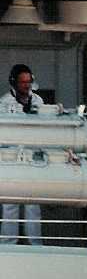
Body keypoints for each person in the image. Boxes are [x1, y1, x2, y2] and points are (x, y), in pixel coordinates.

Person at [0, 63, 43, 245]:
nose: (26, 85)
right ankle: (8, 244)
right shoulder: (3, 103)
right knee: (10, 204)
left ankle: (36, 243)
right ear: (14, 83)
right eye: (22, 82)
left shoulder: (38, 101)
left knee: (33, 203)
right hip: (11, 158)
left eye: (29, 82)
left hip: (33, 158)